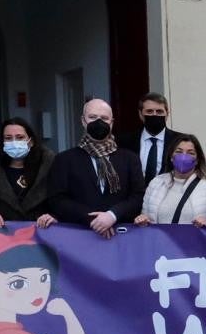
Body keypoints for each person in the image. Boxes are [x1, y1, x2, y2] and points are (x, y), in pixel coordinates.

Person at [46, 98, 145, 238]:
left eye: (104, 118)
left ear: (112, 123)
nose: (99, 122)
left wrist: (112, 216)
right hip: (79, 235)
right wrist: (93, 219)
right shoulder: (64, 159)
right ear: (83, 120)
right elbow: (57, 199)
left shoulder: (130, 158)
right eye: (92, 117)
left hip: (122, 235)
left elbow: (138, 196)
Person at [0, 117, 59, 229]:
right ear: (3, 142)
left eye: (20, 137)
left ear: (31, 141)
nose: (14, 142)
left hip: (42, 234)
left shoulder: (49, 165)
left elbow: (62, 201)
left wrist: (54, 216)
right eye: (8, 138)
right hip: (3, 236)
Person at [134, 134, 206, 227]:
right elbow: (145, 218)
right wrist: (142, 220)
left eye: (190, 153)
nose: (184, 157)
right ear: (171, 157)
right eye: (179, 152)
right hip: (160, 241)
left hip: (195, 241)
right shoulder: (156, 183)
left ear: (197, 160)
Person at [117, 92, 183, 188]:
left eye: (159, 112)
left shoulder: (180, 141)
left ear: (167, 114)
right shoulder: (124, 141)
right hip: (134, 199)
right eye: (149, 111)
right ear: (140, 114)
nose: (154, 115)